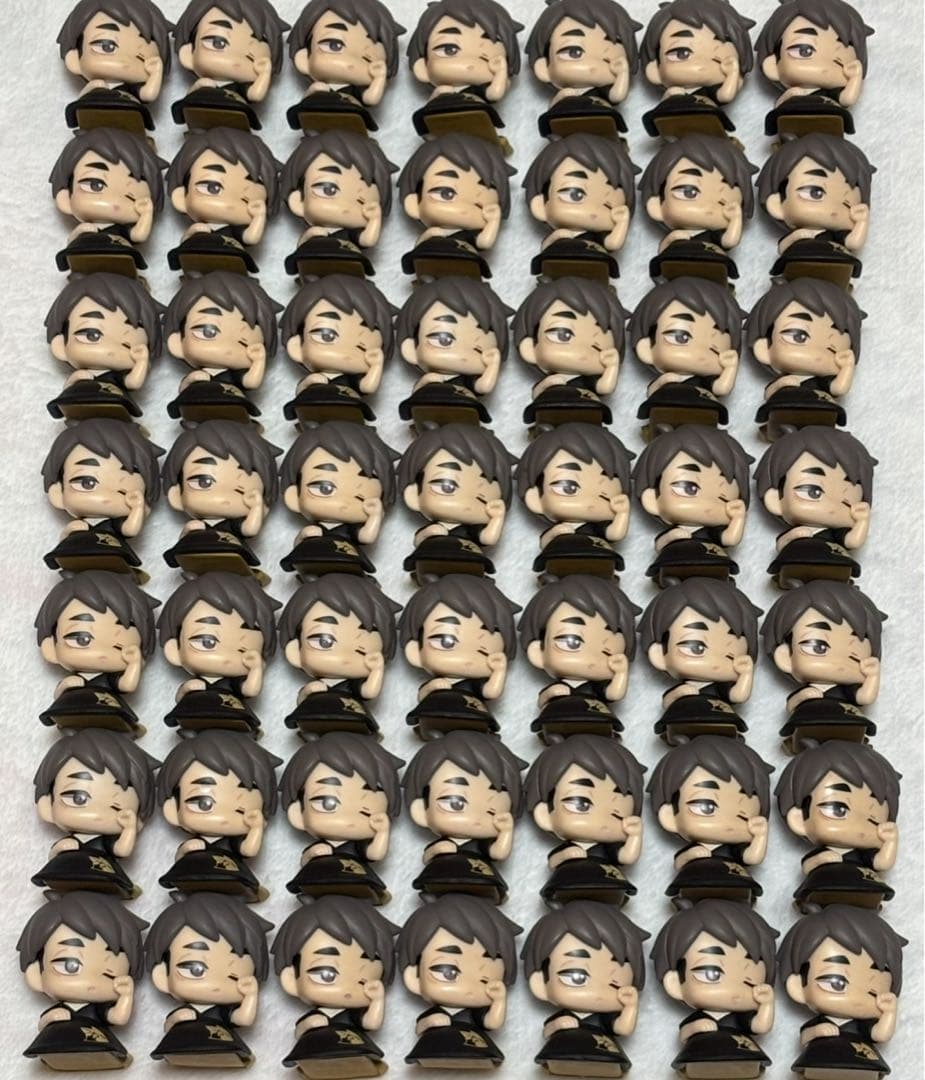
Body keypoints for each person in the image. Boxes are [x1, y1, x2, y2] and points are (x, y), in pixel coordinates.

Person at [18, 893, 148, 1069]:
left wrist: (126, 996)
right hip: (55, 1041)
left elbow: (119, 1018)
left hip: (100, 1044)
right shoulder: (60, 1009)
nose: (90, 983)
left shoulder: (97, 1010)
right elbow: (43, 1024)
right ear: (36, 975)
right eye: (69, 966)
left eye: (109, 973)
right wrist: (50, 1018)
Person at [273, 897, 400, 1076]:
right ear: (291, 979)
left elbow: (372, 1023)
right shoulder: (316, 1015)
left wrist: (377, 1000)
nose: (347, 989)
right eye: (326, 974)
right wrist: (308, 1024)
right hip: (313, 1049)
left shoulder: (353, 1015)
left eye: (362, 980)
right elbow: (299, 1031)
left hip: (356, 1048)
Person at [651, 900, 778, 1076]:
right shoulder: (699, 1017)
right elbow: (684, 1034)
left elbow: (761, 1027)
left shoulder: (740, 1019)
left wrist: (767, 1004)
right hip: (700, 1056)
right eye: (712, 973)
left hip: (742, 1057)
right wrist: (696, 1027)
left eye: (749, 981)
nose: (733, 991)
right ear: (675, 983)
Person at [778, 907, 905, 1079]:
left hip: (862, 1064)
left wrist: (889, 1012)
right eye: (837, 983)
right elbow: (805, 1037)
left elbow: (880, 1035)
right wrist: (817, 1031)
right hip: (820, 1061)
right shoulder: (819, 1022)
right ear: (798, 986)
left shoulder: (861, 1026)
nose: (856, 998)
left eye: (873, 991)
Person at [147, 894, 273, 1066]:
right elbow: (168, 1027)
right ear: (162, 976)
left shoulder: (222, 1012)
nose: (215, 985)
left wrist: (251, 996)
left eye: (234, 975)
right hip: (180, 1043)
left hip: (225, 1045)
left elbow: (244, 1020)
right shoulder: (186, 1010)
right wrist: (175, 1019)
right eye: (195, 969)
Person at [522, 902, 649, 1074]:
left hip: (605, 1055)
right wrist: (558, 1025)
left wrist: (630, 1007)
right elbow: (547, 1031)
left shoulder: (604, 1018)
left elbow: (623, 1029)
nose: (596, 993)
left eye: (615, 982)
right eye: (576, 977)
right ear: (540, 983)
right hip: (562, 1051)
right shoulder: (565, 1015)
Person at [31, 730, 159, 898]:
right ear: (47, 806)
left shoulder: (104, 842)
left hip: (104, 873)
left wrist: (129, 828)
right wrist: (58, 849)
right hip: (66, 870)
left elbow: (123, 851)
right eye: (77, 798)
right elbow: (53, 856)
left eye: (116, 806)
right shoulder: (70, 840)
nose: (97, 815)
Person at [648, 736, 773, 906]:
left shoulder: (733, 851)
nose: (727, 822)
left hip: (735, 883)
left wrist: (760, 836)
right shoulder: (695, 848)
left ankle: (742, 900)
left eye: (743, 815)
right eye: (707, 807)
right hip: (695, 881)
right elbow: (679, 863)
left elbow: (752, 858)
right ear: (670, 816)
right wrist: (691, 855)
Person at [398, 896, 521, 1068]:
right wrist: (430, 1022)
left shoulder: (474, 1014)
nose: (468, 987)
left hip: (478, 1048)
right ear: (414, 978)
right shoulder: (436, 1012)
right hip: (433, 1046)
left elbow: (493, 1023)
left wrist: (499, 1000)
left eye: (485, 979)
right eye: (448, 973)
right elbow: (420, 1028)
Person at [157, 731, 281, 902]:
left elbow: (249, 850)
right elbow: (179, 859)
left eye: (240, 810)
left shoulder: (231, 843)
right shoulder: (195, 842)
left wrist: (256, 828)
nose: (223, 818)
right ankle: (187, 894)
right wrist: (185, 849)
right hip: (191, 871)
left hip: (230, 874)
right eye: (203, 803)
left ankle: (239, 896)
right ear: (172, 810)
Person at [776, 741, 900, 910]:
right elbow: (807, 866)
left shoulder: (862, 856)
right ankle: (812, 904)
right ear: (799, 820)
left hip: (864, 885)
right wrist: (821, 860)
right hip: (824, 886)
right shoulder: (825, 852)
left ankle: (869, 903)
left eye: (873, 819)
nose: (857, 825)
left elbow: (882, 863)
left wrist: (890, 842)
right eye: (838, 809)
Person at [403, 732, 525, 903]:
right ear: (421, 810)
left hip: (479, 876)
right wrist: (437, 850)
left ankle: (489, 897)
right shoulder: (443, 842)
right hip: (441, 873)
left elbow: (499, 853)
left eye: (491, 811)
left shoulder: (481, 845)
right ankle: (433, 894)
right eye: (456, 804)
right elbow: (427, 857)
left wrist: (506, 831)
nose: (475, 818)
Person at [279, 734, 403, 903]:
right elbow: (305, 860)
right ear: (298, 814)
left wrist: (383, 832)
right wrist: (312, 854)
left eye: (366, 810)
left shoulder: (357, 847)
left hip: (356, 877)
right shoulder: (320, 845)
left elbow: (376, 854)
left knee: (360, 889)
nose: (348, 819)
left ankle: (366, 898)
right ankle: (313, 897)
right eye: (327, 803)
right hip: (318, 874)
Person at [524, 735, 645, 906]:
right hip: (568, 883)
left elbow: (627, 857)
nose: (601, 820)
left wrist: (635, 836)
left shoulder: (607, 850)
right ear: (545, 814)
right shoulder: (569, 847)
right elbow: (553, 862)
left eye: (617, 813)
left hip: (607, 884)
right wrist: (565, 855)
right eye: (581, 804)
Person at [157, 572, 280, 735]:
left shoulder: (232, 684)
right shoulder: (195, 683)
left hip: (231, 713)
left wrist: (256, 668)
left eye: (242, 649)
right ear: (174, 650)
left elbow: (250, 691)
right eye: (207, 642)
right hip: (194, 710)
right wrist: (186, 688)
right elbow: (180, 699)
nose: (225, 657)